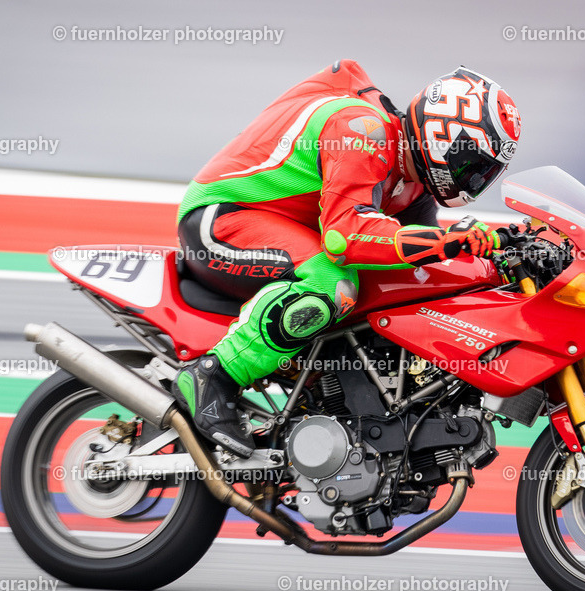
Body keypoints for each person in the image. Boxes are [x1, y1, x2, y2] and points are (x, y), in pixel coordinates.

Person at [171, 59, 522, 456]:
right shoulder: (363, 128)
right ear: (443, 134)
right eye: (471, 161)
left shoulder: (415, 185)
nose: (473, 177)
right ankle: (213, 376)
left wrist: (503, 252)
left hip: (291, 233)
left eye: (484, 171)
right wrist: (446, 241)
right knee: (334, 284)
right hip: (224, 219)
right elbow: (345, 236)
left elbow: (421, 257)